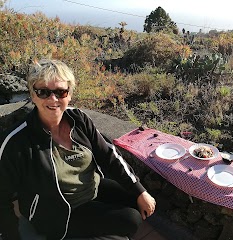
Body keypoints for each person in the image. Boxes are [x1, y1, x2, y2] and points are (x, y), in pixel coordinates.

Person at [0, 59, 156, 240]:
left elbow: (108, 155)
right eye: (43, 92)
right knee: (132, 219)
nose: (53, 99)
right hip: (57, 214)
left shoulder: (78, 119)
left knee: (138, 201)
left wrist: (140, 190)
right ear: (33, 95)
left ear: (70, 94)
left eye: (61, 92)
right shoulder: (17, 141)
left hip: (91, 189)